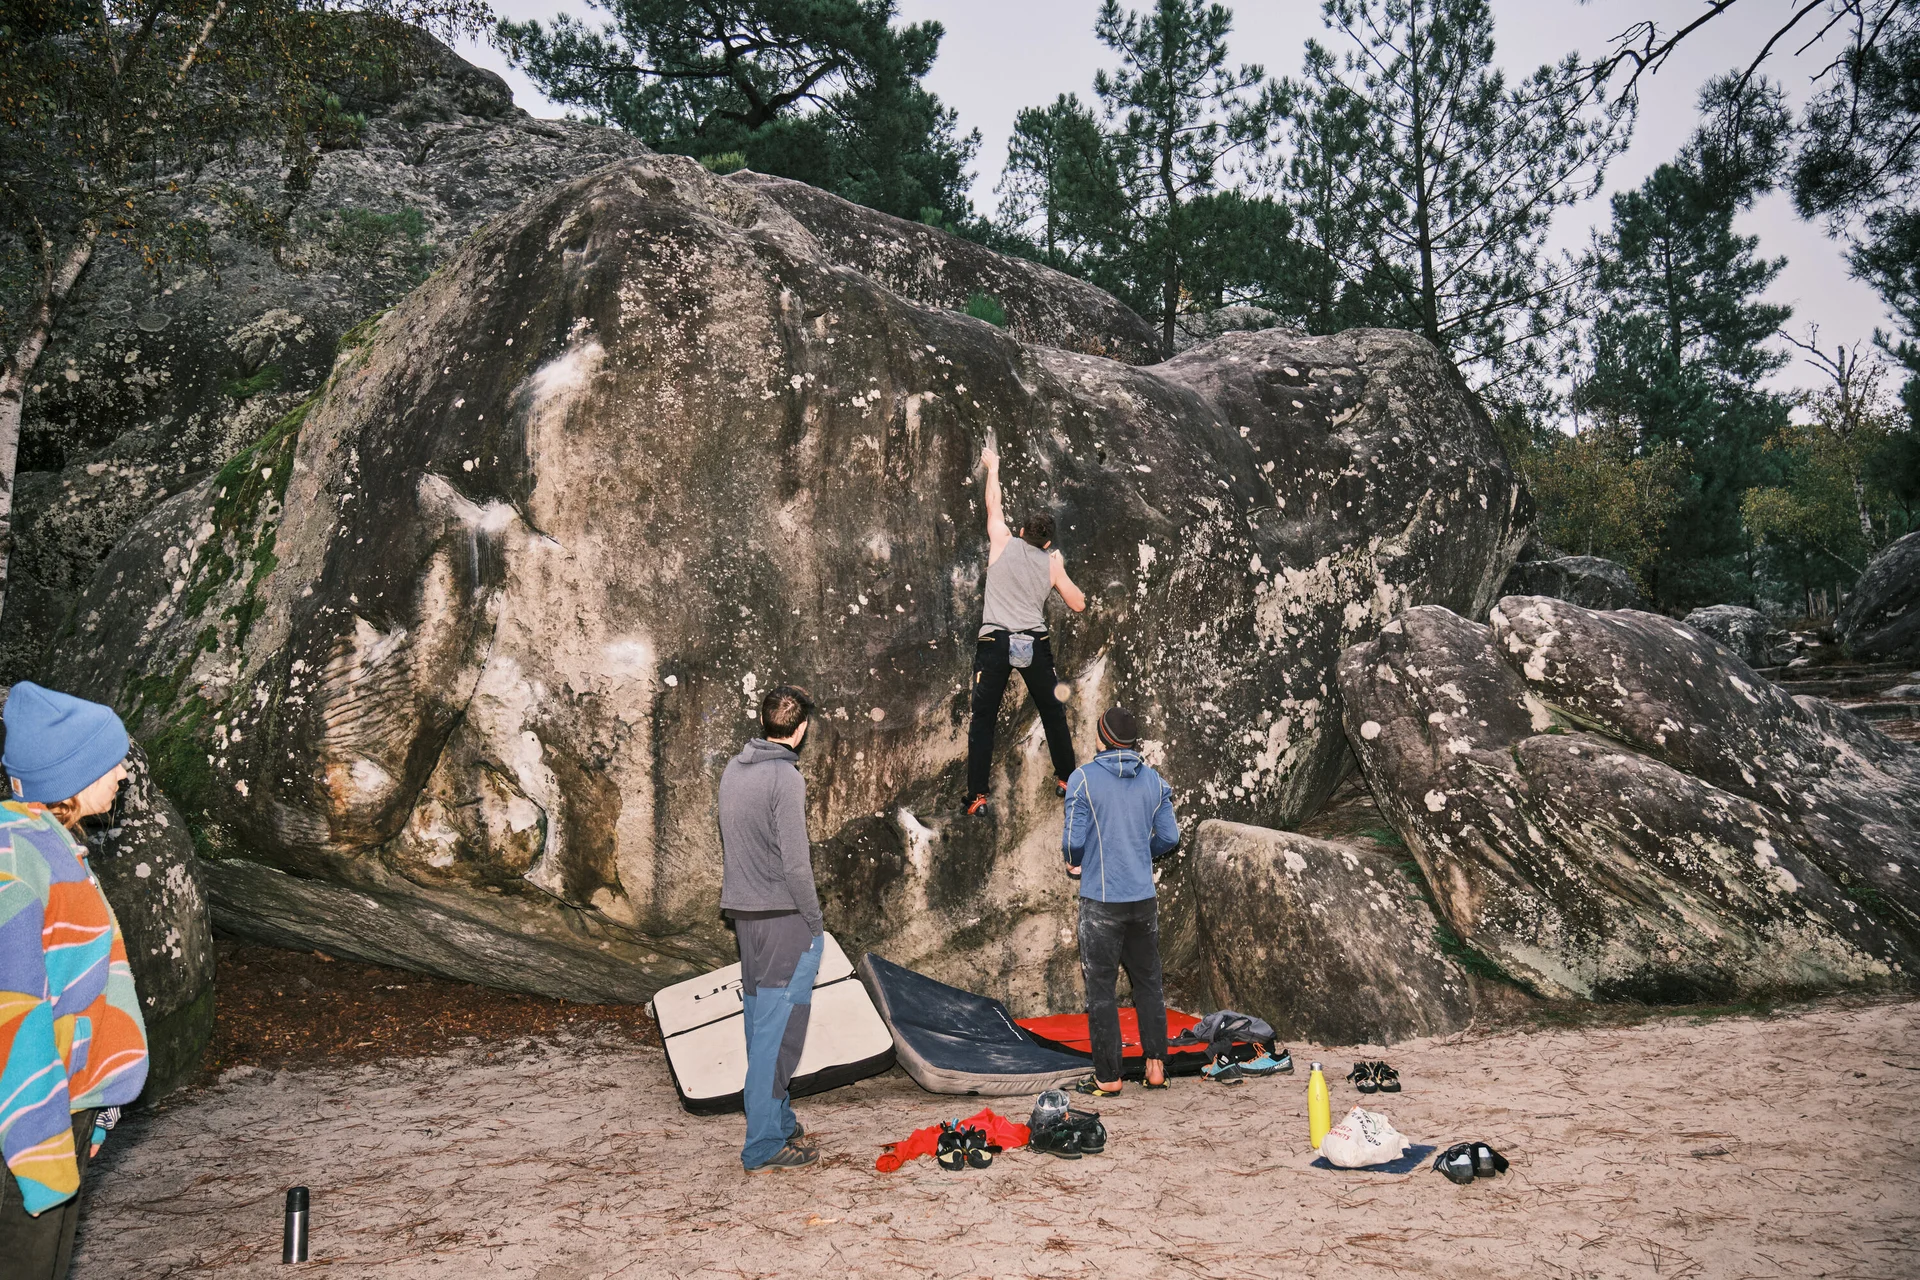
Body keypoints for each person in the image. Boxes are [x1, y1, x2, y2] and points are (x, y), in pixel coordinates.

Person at [0, 683, 149, 1280]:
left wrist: (100, 1104)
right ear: (70, 772)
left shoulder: (53, 845)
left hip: (67, 1104)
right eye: (107, 761)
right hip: (31, 1127)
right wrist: (42, 1146)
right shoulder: (17, 858)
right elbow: (12, 1011)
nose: (121, 773)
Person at [718, 683, 827, 1173]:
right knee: (778, 1034)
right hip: (784, 919)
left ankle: (778, 1121)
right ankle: (762, 1143)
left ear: (764, 722)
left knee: (761, 1028)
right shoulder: (786, 779)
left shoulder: (733, 770)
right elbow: (796, 866)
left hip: (745, 919)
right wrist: (815, 920)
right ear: (800, 729)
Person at [1061, 705, 1181, 1098]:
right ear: (1131, 743)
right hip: (1142, 899)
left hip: (1101, 899)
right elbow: (1170, 837)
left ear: (1101, 738)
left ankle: (1108, 1076)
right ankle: (1156, 1066)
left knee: (1101, 989)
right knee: (1148, 984)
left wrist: (1075, 862)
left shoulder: (1083, 779)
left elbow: (1074, 842)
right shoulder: (1154, 781)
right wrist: (1140, 852)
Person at [965, 445, 1087, 817]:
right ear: (1048, 542)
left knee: (983, 717)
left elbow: (993, 503)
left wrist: (994, 467)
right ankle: (1067, 777)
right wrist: (1060, 568)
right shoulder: (1051, 562)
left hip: (996, 640)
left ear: (1021, 532)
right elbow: (1079, 603)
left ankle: (977, 797)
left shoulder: (1002, 542)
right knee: (1052, 710)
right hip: (1034, 642)